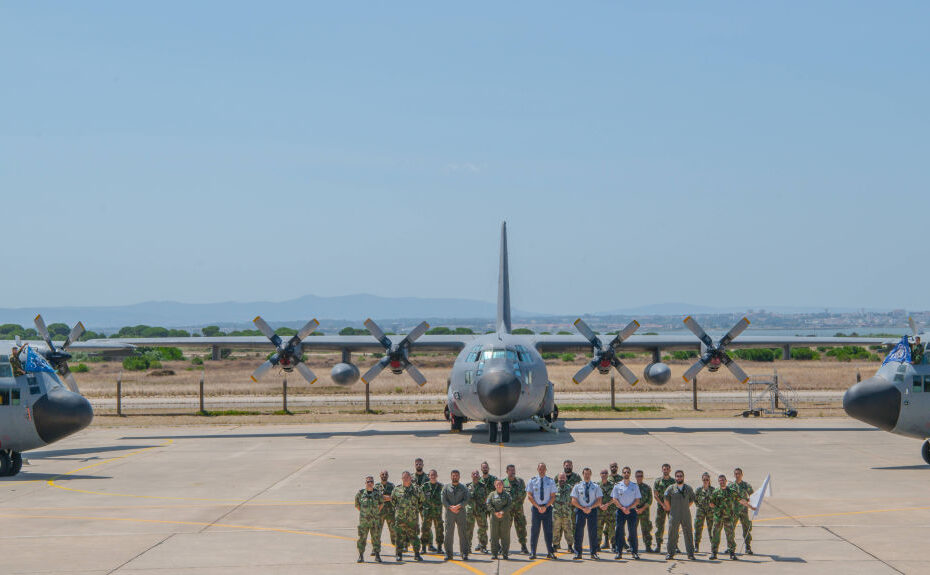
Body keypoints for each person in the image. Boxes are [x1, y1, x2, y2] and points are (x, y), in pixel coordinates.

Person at [662, 470, 696, 560]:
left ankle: (690, 554)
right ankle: (670, 553)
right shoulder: (671, 488)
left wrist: (686, 506)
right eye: (677, 476)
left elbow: (692, 499)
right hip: (674, 514)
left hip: (685, 514)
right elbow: (665, 498)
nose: (679, 477)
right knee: (672, 534)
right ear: (675, 477)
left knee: (688, 533)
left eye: (681, 476)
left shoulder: (688, 488)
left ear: (683, 477)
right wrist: (669, 508)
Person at [527, 462, 557, 560]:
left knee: (548, 531)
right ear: (537, 469)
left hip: (547, 509)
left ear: (546, 470)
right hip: (536, 509)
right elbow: (529, 496)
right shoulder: (532, 481)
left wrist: (545, 506)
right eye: (540, 468)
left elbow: (553, 497)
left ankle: (550, 552)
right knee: (534, 531)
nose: (542, 470)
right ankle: (533, 552)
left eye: (543, 468)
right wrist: (537, 506)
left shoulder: (550, 481)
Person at [571, 467, 602, 560]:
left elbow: (599, 500)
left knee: (593, 532)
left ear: (591, 474)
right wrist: (582, 508)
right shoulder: (577, 486)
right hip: (581, 510)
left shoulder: (596, 486)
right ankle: (578, 553)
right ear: (583, 475)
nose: (587, 476)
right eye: (585, 474)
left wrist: (590, 507)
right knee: (578, 532)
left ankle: (593, 553)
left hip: (592, 510)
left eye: (588, 474)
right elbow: (573, 500)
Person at [392, 471, 424, 561]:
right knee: (399, 536)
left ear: (410, 478)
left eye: (407, 477)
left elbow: (421, 501)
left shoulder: (416, 489)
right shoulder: (397, 489)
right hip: (400, 518)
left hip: (412, 518)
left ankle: (417, 554)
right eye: (404, 477)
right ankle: (399, 554)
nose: (406, 479)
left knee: (414, 536)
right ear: (402, 479)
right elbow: (393, 501)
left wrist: (414, 510)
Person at [611, 465, 641, 560]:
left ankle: (634, 552)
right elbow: (614, 499)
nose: (626, 474)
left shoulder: (634, 486)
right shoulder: (617, 486)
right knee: (619, 532)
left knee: (632, 532)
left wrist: (628, 508)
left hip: (631, 511)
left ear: (630, 474)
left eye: (628, 472)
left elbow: (637, 500)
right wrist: (622, 508)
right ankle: (619, 552)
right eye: (624, 472)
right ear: (622, 474)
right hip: (621, 511)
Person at [709, 474, 741, 560]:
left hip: (728, 517)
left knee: (730, 535)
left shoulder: (731, 491)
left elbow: (740, 499)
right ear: (718, 482)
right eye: (720, 480)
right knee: (715, 535)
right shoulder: (715, 492)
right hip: (718, 518)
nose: (722, 482)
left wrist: (751, 507)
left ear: (726, 481)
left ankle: (732, 553)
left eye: (723, 480)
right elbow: (711, 503)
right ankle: (714, 553)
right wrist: (717, 509)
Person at [442, 469, 471, 560]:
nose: (455, 477)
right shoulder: (446, 487)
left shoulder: (463, 488)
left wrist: (459, 506)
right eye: (453, 475)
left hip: (460, 513)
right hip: (450, 513)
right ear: (451, 476)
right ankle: (448, 554)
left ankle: (464, 553)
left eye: (456, 475)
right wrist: (450, 507)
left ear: (459, 476)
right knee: (448, 534)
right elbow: (443, 499)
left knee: (463, 533)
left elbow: (466, 499)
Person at [355, 476, 383, 563]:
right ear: (365, 483)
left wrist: (375, 513)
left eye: (371, 481)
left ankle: (377, 555)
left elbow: (381, 504)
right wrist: (364, 513)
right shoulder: (360, 493)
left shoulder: (377, 493)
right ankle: (361, 555)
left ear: (373, 483)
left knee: (376, 538)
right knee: (362, 538)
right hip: (364, 521)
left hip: (375, 521)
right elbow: (357, 505)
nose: (369, 483)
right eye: (368, 482)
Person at [504, 464, 529, 554]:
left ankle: (523, 546)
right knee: (506, 529)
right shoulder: (504, 482)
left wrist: (517, 503)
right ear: (507, 471)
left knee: (521, 528)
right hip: (508, 511)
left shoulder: (520, 481)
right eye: (510, 470)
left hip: (518, 509)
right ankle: (504, 547)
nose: (512, 472)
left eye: (513, 470)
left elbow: (523, 493)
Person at [486, 479, 513, 560]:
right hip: (494, 518)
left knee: (505, 536)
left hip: (505, 518)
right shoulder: (491, 494)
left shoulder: (507, 495)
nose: (499, 486)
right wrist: (495, 512)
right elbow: (488, 504)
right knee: (494, 536)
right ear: (495, 486)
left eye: (500, 484)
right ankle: (494, 554)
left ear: (503, 485)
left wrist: (502, 512)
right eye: (497, 484)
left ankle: (505, 553)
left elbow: (510, 505)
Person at [420, 469, 444, 553]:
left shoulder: (441, 486)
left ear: (437, 476)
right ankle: (423, 548)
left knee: (439, 530)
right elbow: (420, 498)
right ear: (428, 476)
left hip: (437, 513)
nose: (433, 476)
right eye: (431, 475)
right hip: (427, 513)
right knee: (425, 530)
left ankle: (440, 548)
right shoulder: (424, 486)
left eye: (434, 475)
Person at [653, 463, 675, 553]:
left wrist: (669, 505)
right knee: (659, 526)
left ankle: (674, 545)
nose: (665, 471)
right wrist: (662, 504)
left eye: (667, 469)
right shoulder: (658, 481)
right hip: (661, 507)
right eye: (664, 469)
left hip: (671, 507)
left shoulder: (673, 481)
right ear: (662, 470)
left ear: (670, 470)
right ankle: (658, 545)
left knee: (673, 526)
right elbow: (655, 495)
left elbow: (675, 494)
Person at [732, 468, 755, 554]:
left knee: (746, 529)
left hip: (744, 511)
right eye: (736, 474)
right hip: (734, 511)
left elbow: (752, 496)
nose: (737, 475)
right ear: (734, 475)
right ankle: (730, 547)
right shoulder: (732, 486)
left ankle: (748, 547)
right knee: (731, 529)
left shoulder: (746, 485)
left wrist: (751, 503)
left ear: (742, 475)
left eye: (739, 474)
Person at [466, 470, 489, 553]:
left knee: (482, 529)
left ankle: (483, 546)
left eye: (477, 474)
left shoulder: (483, 486)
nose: (475, 475)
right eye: (473, 474)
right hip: (470, 512)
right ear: (471, 476)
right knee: (468, 530)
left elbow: (487, 497)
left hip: (480, 511)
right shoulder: (467, 486)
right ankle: (467, 547)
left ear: (479, 476)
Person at [551, 472, 574, 554]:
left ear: (566, 479)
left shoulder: (570, 488)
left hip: (566, 513)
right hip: (556, 513)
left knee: (568, 530)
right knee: (555, 530)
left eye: (563, 478)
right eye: (560, 478)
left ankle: (570, 546)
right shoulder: (554, 488)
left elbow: (574, 499)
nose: (562, 480)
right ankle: (555, 546)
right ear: (558, 479)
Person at [374, 470, 396, 548]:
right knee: (377, 531)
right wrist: (385, 498)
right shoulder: (376, 487)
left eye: (386, 474)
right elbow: (375, 498)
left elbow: (394, 497)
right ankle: (375, 548)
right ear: (380, 476)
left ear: (388, 476)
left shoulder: (392, 486)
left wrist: (383, 498)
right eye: (382, 474)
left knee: (393, 531)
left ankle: (397, 548)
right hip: (380, 513)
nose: (384, 476)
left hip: (390, 512)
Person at [694, 472, 715, 553]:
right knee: (698, 528)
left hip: (710, 512)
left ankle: (713, 547)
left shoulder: (713, 490)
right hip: (700, 512)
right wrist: (699, 506)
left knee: (712, 529)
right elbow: (695, 499)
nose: (705, 481)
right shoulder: (698, 490)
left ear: (709, 480)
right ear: (702, 480)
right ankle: (696, 546)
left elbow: (716, 500)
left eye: (707, 479)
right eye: (704, 480)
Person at [634, 470, 654, 553]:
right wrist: (635, 508)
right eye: (638, 476)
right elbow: (629, 499)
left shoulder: (647, 487)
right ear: (635, 477)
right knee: (633, 529)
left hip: (644, 511)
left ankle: (648, 546)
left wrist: (642, 509)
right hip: (634, 511)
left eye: (641, 476)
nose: (639, 477)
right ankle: (633, 546)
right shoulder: (632, 487)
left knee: (646, 529)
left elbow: (650, 500)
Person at [597, 469, 616, 553]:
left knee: (612, 528)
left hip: (610, 510)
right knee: (599, 528)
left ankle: (613, 545)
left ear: (608, 475)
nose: (604, 475)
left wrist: (607, 504)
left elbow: (615, 497)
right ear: (600, 474)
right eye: (602, 473)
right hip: (600, 510)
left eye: (605, 473)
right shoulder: (597, 485)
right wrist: (600, 505)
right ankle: (597, 545)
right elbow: (595, 497)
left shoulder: (613, 485)